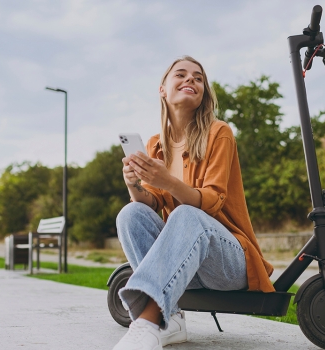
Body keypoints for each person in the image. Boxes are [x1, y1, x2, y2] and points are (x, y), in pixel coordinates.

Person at [113, 56, 275, 350]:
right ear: (163, 89)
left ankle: (147, 322)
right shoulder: (155, 144)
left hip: (227, 262)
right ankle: (171, 319)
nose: (191, 80)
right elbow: (151, 204)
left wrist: (168, 181)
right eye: (182, 75)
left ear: (203, 93)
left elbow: (212, 202)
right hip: (184, 261)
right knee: (130, 214)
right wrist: (133, 184)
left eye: (198, 78)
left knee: (187, 214)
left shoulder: (219, 132)